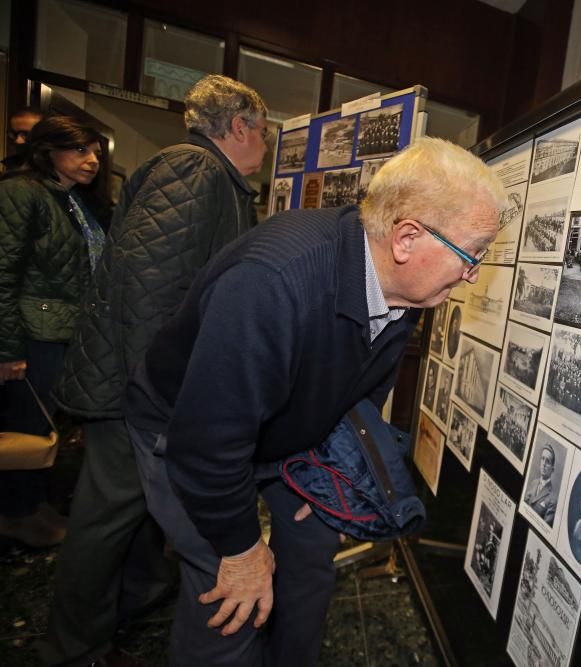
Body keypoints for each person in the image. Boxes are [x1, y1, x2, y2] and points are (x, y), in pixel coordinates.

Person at [124, 136, 505, 665]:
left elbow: (361, 389)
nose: (473, 274)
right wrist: (241, 551)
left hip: (283, 429)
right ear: (407, 238)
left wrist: (325, 465)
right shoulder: (273, 282)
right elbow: (208, 444)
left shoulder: (408, 287)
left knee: (311, 555)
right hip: (186, 434)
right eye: (472, 254)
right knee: (231, 594)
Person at [39, 75, 268, 667]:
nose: (265, 146)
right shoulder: (196, 171)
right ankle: (75, 648)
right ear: (240, 127)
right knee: (104, 517)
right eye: (264, 133)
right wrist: (156, 391)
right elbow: (147, 288)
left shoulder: (205, 175)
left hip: (133, 380)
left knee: (130, 508)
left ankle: (138, 594)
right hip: (132, 387)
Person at [0, 115, 112, 547]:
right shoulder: (20, 192)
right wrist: (7, 348)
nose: (91, 161)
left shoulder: (71, 199)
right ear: (49, 151)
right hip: (32, 332)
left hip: (60, 330)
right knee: (26, 426)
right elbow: (4, 273)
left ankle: (32, 504)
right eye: (80, 150)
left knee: (42, 427)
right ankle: (16, 514)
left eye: (96, 153)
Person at [2, 106, 45, 173]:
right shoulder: (8, 167)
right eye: (14, 134)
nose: (17, 141)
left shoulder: (60, 170)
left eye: (26, 134)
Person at [524, 444, 557, 526]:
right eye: (542, 459)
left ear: (552, 469)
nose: (544, 464)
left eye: (548, 461)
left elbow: (544, 526)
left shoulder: (553, 499)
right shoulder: (533, 483)